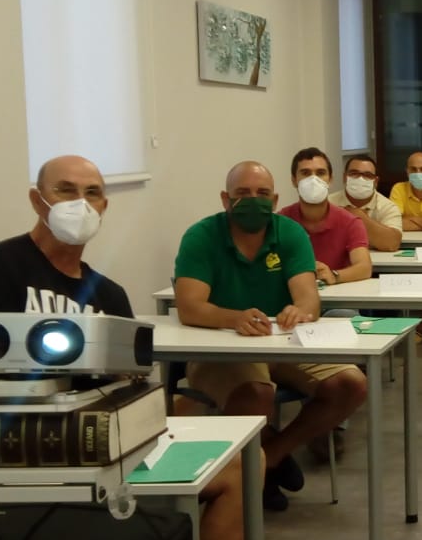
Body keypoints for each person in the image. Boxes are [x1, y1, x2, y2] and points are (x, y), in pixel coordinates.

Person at [0, 155, 284, 540]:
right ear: (38, 200)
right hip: (20, 452)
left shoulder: (108, 296)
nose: (80, 203)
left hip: (102, 447)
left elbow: (130, 387)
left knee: (243, 467)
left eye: (93, 193)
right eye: (66, 190)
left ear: (104, 206)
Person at [173, 161, 368, 513]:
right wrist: (234, 318)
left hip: (280, 342)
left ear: (275, 200)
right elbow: (190, 307)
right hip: (219, 350)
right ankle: (251, 478)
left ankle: (269, 458)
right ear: (225, 199)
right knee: (256, 393)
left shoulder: (290, 233)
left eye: (262, 194)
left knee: (350, 384)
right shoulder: (201, 236)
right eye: (242, 193)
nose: (253, 201)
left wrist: (300, 311)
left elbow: (308, 297)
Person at [279, 147, 372, 286]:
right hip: (292, 294)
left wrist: (334, 275)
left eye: (320, 173)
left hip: (337, 296)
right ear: (294, 180)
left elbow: (364, 268)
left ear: (330, 179)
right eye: (305, 173)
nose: (313, 179)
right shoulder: (281, 222)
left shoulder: (350, 222)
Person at [329, 153, 404, 251]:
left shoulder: (388, 207)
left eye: (368, 175)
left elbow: (392, 243)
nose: (360, 179)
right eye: (354, 173)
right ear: (345, 177)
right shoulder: (329, 203)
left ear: (375, 181)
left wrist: (358, 215)